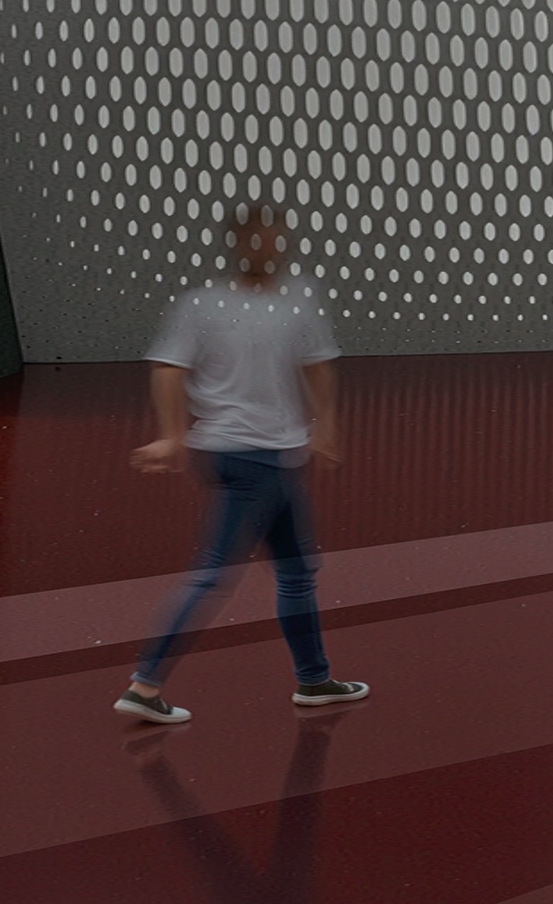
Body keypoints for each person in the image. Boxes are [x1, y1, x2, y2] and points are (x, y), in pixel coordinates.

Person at [119, 202, 370, 722]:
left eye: (274, 234)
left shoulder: (300, 298)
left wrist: (324, 426)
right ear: (236, 243)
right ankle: (144, 687)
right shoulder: (202, 305)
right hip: (241, 456)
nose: (266, 244)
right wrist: (171, 436)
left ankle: (315, 680)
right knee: (213, 576)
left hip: (281, 456)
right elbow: (168, 368)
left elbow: (318, 365)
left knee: (298, 572)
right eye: (255, 235)